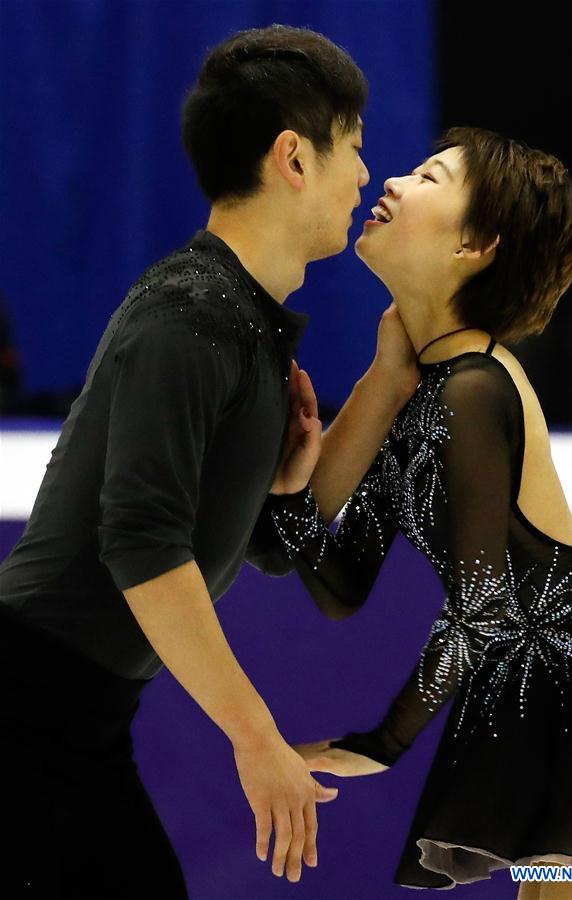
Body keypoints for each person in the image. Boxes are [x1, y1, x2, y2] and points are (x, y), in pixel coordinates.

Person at [0, 25, 420, 898]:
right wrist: (254, 734)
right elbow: (143, 544)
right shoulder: (189, 315)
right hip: (24, 709)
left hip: (73, 722)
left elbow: (266, 542)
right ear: (293, 157)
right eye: (356, 149)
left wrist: (382, 382)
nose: (363, 178)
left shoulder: (246, 323)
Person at [251, 126, 572, 898]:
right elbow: (342, 585)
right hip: (557, 733)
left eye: (431, 177)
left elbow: (482, 607)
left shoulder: (475, 388)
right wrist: (290, 490)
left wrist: (383, 743)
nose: (397, 182)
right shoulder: (425, 396)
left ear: (475, 245)